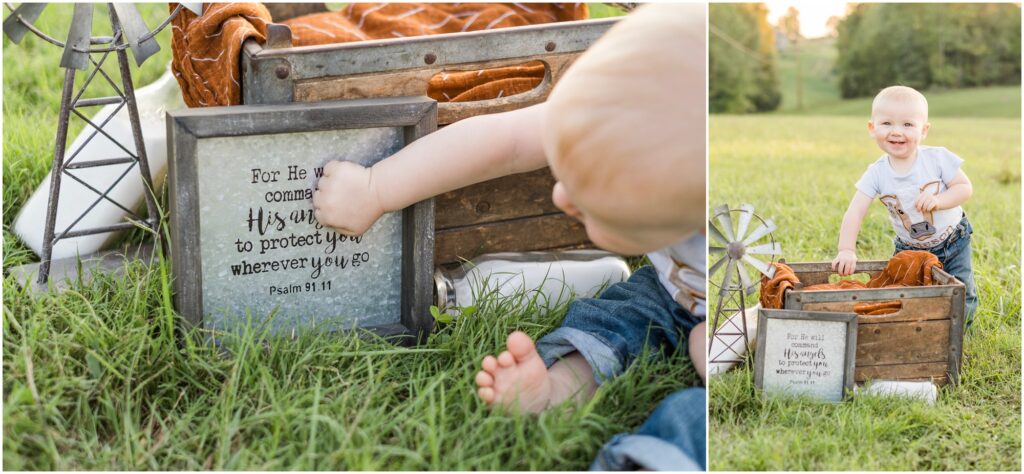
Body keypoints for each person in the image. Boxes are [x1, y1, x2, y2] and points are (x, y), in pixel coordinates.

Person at [313, 3, 707, 470]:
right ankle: (560, 388)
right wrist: (377, 189)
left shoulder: (736, 230)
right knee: (616, 318)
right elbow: (506, 140)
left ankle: (658, 458)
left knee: (694, 414)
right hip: (668, 289)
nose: (560, 197)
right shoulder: (619, 113)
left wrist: (728, 341)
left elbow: (783, 303)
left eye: (589, 206)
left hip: (734, 309)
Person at [832, 85, 977, 328]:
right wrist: (846, 249)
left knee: (962, 289)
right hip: (909, 246)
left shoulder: (937, 158)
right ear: (872, 128)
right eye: (887, 123)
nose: (896, 132)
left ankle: (957, 336)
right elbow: (855, 212)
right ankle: (914, 330)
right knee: (904, 290)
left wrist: (939, 201)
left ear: (924, 130)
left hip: (953, 240)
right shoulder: (877, 173)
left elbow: (964, 188)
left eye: (908, 125)